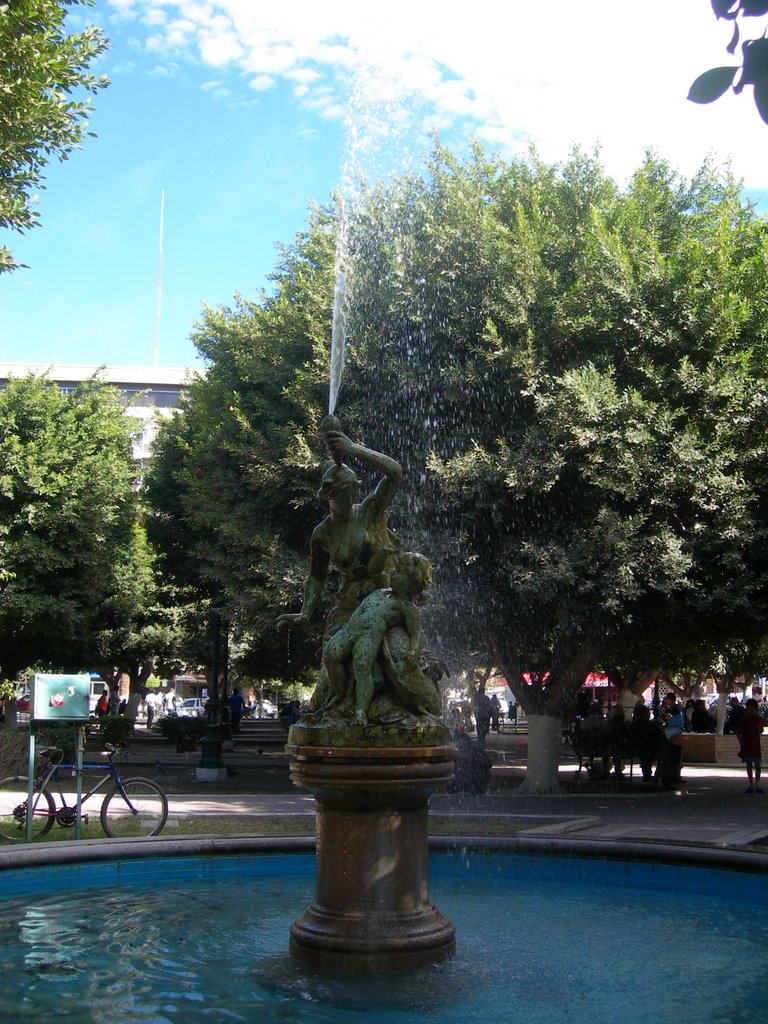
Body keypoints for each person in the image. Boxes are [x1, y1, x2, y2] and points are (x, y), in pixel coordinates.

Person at [322, 552, 431, 724]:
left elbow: (417, 634)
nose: (392, 574)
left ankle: (360, 712)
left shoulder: (407, 608)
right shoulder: (382, 590)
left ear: (412, 583)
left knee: (362, 668)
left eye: (398, 572)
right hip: (349, 629)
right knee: (331, 656)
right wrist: (383, 554)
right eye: (394, 570)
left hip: (369, 636)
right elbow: (375, 571)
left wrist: (413, 651)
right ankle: (340, 695)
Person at [735, 697, 765, 794]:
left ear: (756, 709)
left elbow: (760, 731)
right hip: (747, 745)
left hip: (756, 745)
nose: (750, 711)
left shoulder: (759, 719)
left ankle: (757, 784)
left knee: (758, 765)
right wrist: (740, 742)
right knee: (749, 765)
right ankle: (751, 784)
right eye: (748, 709)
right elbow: (738, 732)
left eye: (751, 709)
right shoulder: (744, 719)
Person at [656, 692, 685, 788]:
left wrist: (663, 711)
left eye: (666, 699)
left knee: (664, 735)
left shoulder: (674, 709)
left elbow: (666, 717)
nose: (665, 700)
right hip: (673, 726)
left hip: (675, 727)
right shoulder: (673, 708)